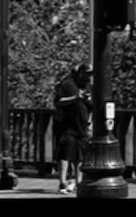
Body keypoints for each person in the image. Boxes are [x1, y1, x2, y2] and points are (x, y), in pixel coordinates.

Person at [53, 62, 92, 194]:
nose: (89, 77)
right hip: (67, 125)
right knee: (65, 154)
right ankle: (62, 182)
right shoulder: (67, 84)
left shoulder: (89, 87)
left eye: (91, 75)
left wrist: (90, 121)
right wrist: (75, 98)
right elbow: (58, 102)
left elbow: (92, 107)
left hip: (82, 126)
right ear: (80, 72)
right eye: (87, 74)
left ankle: (78, 183)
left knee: (80, 156)